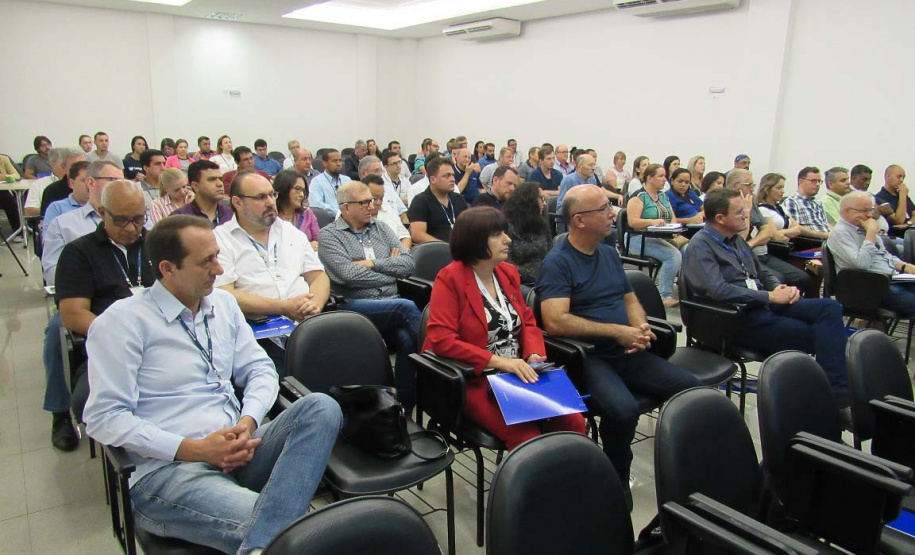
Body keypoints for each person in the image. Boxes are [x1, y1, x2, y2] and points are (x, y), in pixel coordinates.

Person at [83, 215, 341, 554]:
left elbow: (260, 369)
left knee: (321, 407)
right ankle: (273, 535)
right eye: (207, 262)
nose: (219, 270)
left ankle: (267, 536)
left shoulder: (223, 304)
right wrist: (197, 449)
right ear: (168, 268)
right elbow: (104, 418)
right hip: (171, 471)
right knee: (287, 529)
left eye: (218, 256)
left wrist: (246, 423)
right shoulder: (122, 323)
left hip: (239, 447)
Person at [536, 185, 699, 495]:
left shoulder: (608, 252)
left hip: (627, 350)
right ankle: (614, 486)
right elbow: (555, 321)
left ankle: (686, 475)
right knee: (622, 411)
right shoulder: (558, 262)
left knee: (691, 391)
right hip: (589, 358)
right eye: (603, 208)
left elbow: (629, 299)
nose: (613, 213)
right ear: (579, 220)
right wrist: (616, 331)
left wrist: (639, 328)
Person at [425, 207, 586, 450]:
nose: (508, 239)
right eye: (498, 234)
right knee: (526, 437)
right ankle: (528, 487)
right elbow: (442, 340)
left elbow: (528, 321)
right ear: (475, 240)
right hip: (473, 378)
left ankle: (564, 483)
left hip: (519, 373)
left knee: (573, 421)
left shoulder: (507, 273)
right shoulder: (450, 278)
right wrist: (500, 362)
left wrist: (533, 354)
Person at [682, 188, 849, 403]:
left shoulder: (736, 240)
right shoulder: (701, 245)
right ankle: (836, 396)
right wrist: (769, 297)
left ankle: (835, 393)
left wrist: (779, 288)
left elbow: (762, 270)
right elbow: (718, 290)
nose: (746, 214)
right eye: (740, 212)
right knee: (822, 335)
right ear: (720, 218)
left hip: (762, 303)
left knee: (830, 309)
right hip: (734, 318)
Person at [40, 160, 123, 450]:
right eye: (111, 179)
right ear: (90, 182)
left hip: (127, 298)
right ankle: (59, 411)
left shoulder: (139, 223)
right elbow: (52, 271)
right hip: (85, 298)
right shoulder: (64, 222)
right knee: (57, 330)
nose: (119, 184)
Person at [215, 171, 330, 375]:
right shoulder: (221, 239)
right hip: (256, 334)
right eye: (260, 197)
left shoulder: (291, 232)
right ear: (237, 202)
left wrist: (315, 305)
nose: (270, 202)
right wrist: (282, 308)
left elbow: (318, 276)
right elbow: (225, 293)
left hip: (304, 324)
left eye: (272, 195)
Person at [318, 181, 421, 409]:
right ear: (346, 208)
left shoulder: (381, 229)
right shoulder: (329, 236)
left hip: (390, 304)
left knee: (408, 339)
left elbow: (408, 264)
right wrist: (390, 271)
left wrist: (373, 263)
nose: (371, 206)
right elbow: (347, 275)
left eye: (372, 201)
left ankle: (402, 406)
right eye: (364, 202)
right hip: (354, 306)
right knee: (406, 307)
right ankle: (438, 356)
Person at [828, 191, 915, 315]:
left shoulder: (865, 227)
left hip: (892, 279)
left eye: (871, 210)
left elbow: (884, 255)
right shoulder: (840, 233)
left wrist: (905, 266)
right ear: (847, 211)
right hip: (868, 286)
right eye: (864, 211)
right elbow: (861, 264)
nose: (870, 215)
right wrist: (870, 234)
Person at [728, 169, 812, 292]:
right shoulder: (726, 206)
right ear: (736, 187)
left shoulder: (751, 203)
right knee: (778, 279)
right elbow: (740, 237)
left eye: (753, 185)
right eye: (749, 185)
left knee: (801, 277)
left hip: (762, 254)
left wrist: (749, 245)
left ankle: (789, 307)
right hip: (743, 258)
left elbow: (767, 231)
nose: (752, 189)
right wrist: (746, 212)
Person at [625, 164, 683, 307]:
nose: (665, 179)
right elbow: (632, 222)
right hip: (638, 239)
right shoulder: (638, 197)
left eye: (665, 176)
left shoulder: (663, 197)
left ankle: (687, 291)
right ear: (649, 178)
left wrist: (674, 228)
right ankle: (665, 296)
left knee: (689, 250)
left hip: (661, 237)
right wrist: (652, 221)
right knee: (673, 255)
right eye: (661, 176)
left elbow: (673, 218)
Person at [408, 156, 468, 244]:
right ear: (433, 179)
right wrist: (446, 246)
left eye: (453, 175)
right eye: (447, 176)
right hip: (437, 252)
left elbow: (468, 227)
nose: (452, 179)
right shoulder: (420, 201)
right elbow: (418, 235)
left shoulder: (458, 199)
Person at [504, 182, 551, 284]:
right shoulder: (507, 226)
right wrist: (536, 275)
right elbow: (505, 264)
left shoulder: (541, 223)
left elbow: (550, 252)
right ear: (529, 202)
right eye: (541, 199)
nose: (544, 203)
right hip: (519, 282)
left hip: (546, 278)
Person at [173, 160, 234, 226]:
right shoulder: (179, 219)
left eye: (220, 179)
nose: (220, 184)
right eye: (212, 179)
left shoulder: (231, 215)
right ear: (195, 186)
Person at [273, 169, 319, 249]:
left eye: (303, 191)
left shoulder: (308, 214)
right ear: (284, 189)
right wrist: (304, 247)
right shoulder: (271, 216)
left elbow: (319, 242)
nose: (301, 195)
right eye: (297, 189)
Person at [363, 175, 411, 250]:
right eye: (374, 198)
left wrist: (402, 254)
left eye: (381, 198)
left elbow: (405, 237)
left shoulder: (389, 210)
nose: (378, 203)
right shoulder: (354, 214)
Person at [783, 166, 831, 239]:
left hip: (828, 241)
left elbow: (825, 224)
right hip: (810, 243)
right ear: (801, 182)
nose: (817, 184)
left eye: (819, 181)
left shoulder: (818, 202)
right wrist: (825, 235)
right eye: (813, 181)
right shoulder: (792, 202)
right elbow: (795, 228)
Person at [44, 161, 90, 227]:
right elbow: (49, 236)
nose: (89, 184)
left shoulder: (102, 207)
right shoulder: (57, 208)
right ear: (72, 183)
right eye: (84, 180)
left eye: (92, 180)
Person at [308, 149, 351, 215]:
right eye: (334, 161)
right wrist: (339, 213)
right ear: (325, 163)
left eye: (340, 160)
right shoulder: (317, 182)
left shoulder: (347, 180)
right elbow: (316, 205)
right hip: (330, 221)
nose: (338, 164)